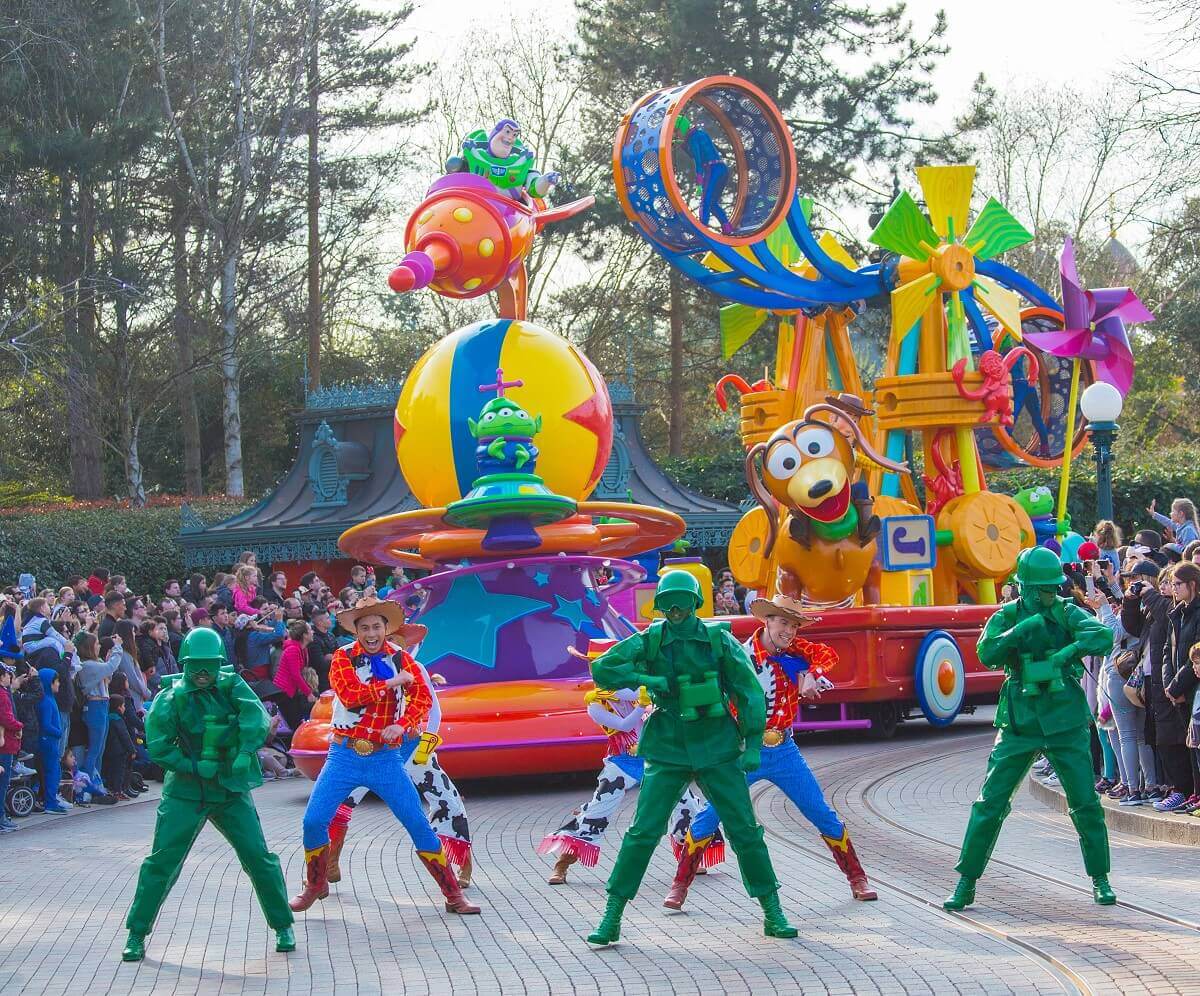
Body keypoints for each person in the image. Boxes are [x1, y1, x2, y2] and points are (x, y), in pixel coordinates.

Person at [584, 572, 796, 946]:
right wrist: (645, 677)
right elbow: (602, 668)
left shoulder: (718, 640)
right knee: (642, 831)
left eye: (682, 601)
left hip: (717, 744)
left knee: (744, 829)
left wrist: (751, 743)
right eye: (668, 603)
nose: (675, 609)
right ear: (660, 606)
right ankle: (613, 913)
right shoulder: (650, 639)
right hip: (668, 746)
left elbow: (748, 691)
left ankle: (772, 908)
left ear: (696, 603)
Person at [669, 593, 876, 908]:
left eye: (794, 625)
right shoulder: (739, 656)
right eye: (783, 623)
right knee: (711, 816)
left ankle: (857, 878)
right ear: (767, 621)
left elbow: (828, 655)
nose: (789, 631)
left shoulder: (798, 652)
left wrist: (811, 675)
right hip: (742, 751)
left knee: (820, 812)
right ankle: (680, 885)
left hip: (784, 750)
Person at [944, 547, 1115, 911]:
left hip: (1065, 719)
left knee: (1085, 802)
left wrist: (1064, 655)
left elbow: (1102, 636)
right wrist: (1021, 630)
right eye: (1040, 589)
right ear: (1025, 588)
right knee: (989, 803)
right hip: (1020, 720)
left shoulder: (1066, 611)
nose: (1047, 595)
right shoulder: (1006, 615)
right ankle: (966, 880)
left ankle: (1100, 878)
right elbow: (986, 653)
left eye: (1051, 588)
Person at [289, 596, 480, 917]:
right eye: (364, 627)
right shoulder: (343, 657)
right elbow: (349, 698)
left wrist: (403, 725)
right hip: (344, 756)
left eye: (377, 626)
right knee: (313, 820)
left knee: (417, 823)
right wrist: (391, 683)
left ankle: (453, 894)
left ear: (386, 629)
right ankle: (316, 883)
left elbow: (421, 700)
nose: (371, 633)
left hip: (385, 759)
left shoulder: (402, 659)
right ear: (356, 631)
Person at [122, 627, 295, 961]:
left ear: (219, 664)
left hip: (229, 787)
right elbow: (157, 743)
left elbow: (256, 716)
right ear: (185, 664)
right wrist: (187, 763)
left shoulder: (232, 686)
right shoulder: (170, 697)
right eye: (195, 665)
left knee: (258, 858)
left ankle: (282, 924)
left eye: (209, 665)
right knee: (161, 863)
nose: (202, 672)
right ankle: (137, 931)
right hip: (186, 790)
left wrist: (245, 750)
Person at [538, 680, 712, 886]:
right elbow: (624, 725)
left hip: (654, 759)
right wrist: (641, 705)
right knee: (597, 811)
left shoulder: (641, 689)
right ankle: (563, 863)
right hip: (622, 763)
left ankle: (688, 856)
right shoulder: (596, 703)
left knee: (685, 804)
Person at [1159, 561, 1200, 812]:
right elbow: (1167, 650)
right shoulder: (1176, 612)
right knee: (1190, 743)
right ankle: (1195, 792)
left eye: (1177, 584)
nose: (1173, 589)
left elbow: (1193, 655)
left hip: (1192, 687)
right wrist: (1168, 684)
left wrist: (1177, 687)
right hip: (1177, 689)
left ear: (1192, 585)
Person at [76, 632, 121, 794]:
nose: (99, 646)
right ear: (89, 647)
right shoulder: (87, 665)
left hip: (103, 704)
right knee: (95, 748)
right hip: (95, 707)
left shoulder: (95, 663)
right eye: (96, 644)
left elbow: (108, 674)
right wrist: (118, 648)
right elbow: (110, 668)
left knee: (100, 749)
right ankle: (88, 784)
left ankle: (97, 780)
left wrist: (108, 658)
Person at [35, 667, 68, 813]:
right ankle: (50, 803)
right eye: (56, 681)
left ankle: (51, 800)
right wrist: (59, 732)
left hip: (50, 741)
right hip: (49, 741)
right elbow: (46, 724)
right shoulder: (47, 702)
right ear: (50, 683)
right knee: (52, 772)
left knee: (54, 771)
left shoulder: (49, 699)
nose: (59, 684)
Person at [275, 621, 317, 731]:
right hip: (285, 692)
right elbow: (295, 674)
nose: (313, 632)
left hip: (293, 690)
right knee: (294, 722)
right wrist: (308, 693)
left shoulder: (303, 649)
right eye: (310, 630)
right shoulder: (293, 650)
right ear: (304, 635)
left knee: (297, 719)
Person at [0, 662, 23, 832]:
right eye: (8, 674)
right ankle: (1, 818)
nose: (10, 677)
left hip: (7, 743)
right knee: (2, 783)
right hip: (5, 745)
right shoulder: (2, 694)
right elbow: (6, 718)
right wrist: (19, 725)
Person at [114, 620, 152, 715]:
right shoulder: (124, 655)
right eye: (133, 632)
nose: (134, 635)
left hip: (136, 699)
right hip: (133, 700)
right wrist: (146, 693)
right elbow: (132, 679)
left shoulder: (127, 654)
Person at [308, 607, 337, 692]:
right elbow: (321, 664)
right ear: (320, 622)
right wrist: (335, 657)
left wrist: (332, 656)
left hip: (335, 674)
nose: (330, 620)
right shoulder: (313, 640)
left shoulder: (330, 635)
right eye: (327, 618)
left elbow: (340, 653)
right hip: (324, 681)